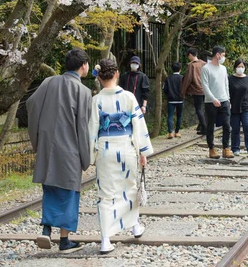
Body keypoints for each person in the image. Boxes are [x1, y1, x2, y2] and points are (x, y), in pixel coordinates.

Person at [26, 48, 92, 253]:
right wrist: (86, 157)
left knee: (51, 188)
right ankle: (64, 241)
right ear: (83, 66)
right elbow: (83, 126)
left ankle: (46, 230)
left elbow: (31, 104)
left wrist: (37, 138)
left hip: (48, 146)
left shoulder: (48, 82)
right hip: (70, 149)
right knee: (69, 193)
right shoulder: (83, 92)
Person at [88, 58, 154, 254]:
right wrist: (143, 151)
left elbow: (92, 130)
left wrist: (91, 156)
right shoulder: (128, 98)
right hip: (126, 149)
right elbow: (138, 125)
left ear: (98, 78)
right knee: (129, 188)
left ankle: (105, 239)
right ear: (117, 74)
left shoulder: (96, 100)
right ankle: (134, 226)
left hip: (106, 150)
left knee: (106, 194)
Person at [201, 45, 233, 159]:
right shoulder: (206, 68)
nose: (224, 57)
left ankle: (226, 148)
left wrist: (228, 99)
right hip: (210, 101)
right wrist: (213, 98)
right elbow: (205, 86)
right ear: (217, 55)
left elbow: (226, 84)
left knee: (227, 125)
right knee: (210, 126)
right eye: (223, 55)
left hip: (224, 100)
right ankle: (211, 148)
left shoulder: (223, 68)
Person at [228, 59, 248, 156]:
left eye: (242, 67)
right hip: (234, 107)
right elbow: (227, 92)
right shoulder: (230, 79)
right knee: (235, 128)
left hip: (246, 106)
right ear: (235, 67)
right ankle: (235, 148)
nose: (241, 68)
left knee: (247, 126)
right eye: (239, 66)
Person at [180, 48, 207, 135]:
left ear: (190, 55)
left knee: (198, 109)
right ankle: (202, 126)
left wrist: (183, 92)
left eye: (188, 56)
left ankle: (204, 127)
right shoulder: (204, 63)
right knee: (205, 109)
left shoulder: (192, 66)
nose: (188, 58)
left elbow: (188, 79)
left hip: (197, 90)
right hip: (206, 89)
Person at [163, 61, 184, 139]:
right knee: (179, 116)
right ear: (180, 69)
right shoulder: (182, 78)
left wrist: (168, 95)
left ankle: (170, 133)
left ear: (172, 69)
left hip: (171, 100)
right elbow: (185, 88)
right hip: (180, 100)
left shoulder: (168, 78)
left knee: (170, 116)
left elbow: (164, 89)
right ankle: (177, 132)